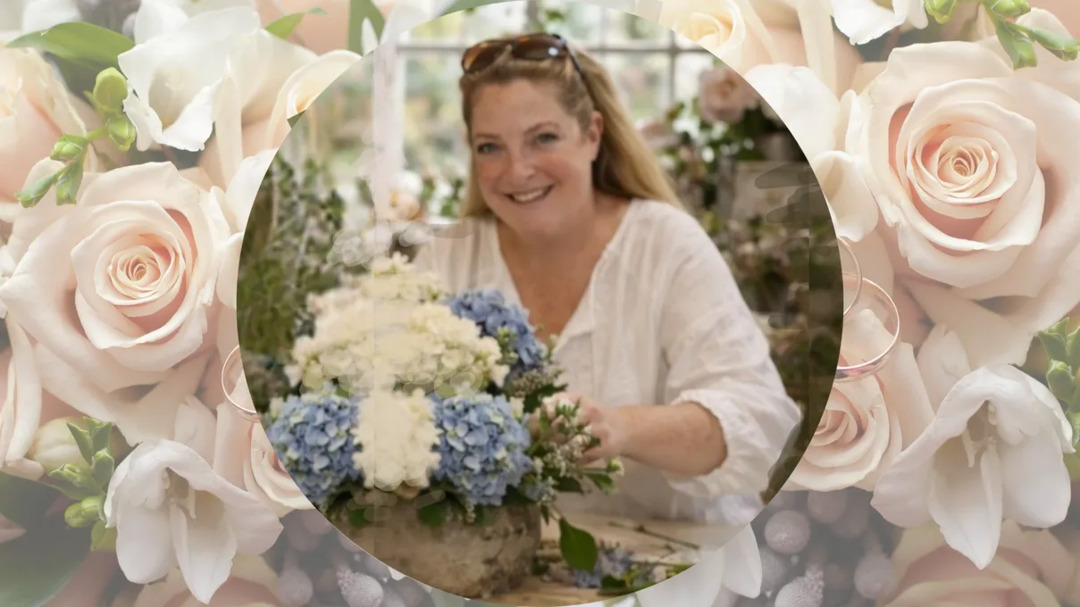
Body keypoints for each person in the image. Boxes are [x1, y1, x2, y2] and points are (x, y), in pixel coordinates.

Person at [411, 32, 801, 527]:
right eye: (490, 147)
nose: (518, 170)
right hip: (497, 560)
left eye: (543, 138)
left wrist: (620, 427)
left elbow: (760, 422)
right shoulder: (446, 258)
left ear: (592, 135)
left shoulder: (665, 244)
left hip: (680, 554)